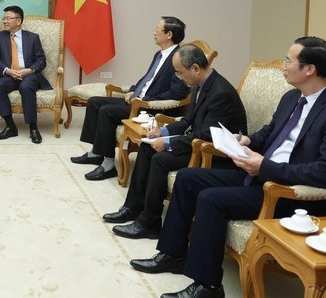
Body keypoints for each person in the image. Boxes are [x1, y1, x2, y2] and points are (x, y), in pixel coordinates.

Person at [131, 37, 326, 298]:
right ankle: (172, 255)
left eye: (288, 60)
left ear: (309, 69)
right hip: (259, 173)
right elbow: (270, 133)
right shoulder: (292, 97)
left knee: (211, 199)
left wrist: (265, 167)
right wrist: (247, 140)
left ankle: (208, 286)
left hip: (286, 191)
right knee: (188, 178)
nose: (283, 65)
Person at [104, 44, 247, 240]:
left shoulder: (221, 93)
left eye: (180, 73)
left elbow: (206, 136)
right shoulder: (200, 84)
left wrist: (168, 143)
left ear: (195, 68)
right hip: (199, 141)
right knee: (147, 149)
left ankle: (150, 223)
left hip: (215, 153)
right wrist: (161, 131)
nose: (179, 78)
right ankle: (132, 208)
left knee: (161, 158)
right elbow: (188, 122)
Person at [72, 16, 190, 180]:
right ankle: (96, 153)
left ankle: (108, 165)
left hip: (150, 107)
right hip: (138, 100)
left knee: (107, 111)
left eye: (158, 29)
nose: (154, 32)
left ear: (169, 34)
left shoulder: (179, 58)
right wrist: (134, 90)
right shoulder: (159, 54)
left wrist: (145, 99)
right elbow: (147, 78)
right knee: (94, 102)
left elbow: (178, 93)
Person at [0, 5, 52, 144]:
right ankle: (11, 127)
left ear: (18, 21)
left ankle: (33, 128)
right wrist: (7, 70)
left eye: (8, 18)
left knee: (26, 87)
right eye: (4, 18)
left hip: (29, 74)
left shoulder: (33, 37)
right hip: (10, 75)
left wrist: (29, 70)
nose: (5, 21)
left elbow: (41, 60)